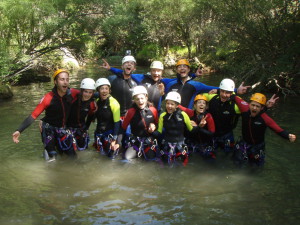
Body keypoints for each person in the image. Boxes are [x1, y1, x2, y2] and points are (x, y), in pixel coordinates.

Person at [12, 69, 79, 161]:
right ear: (55, 82)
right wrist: (19, 130)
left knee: (73, 157)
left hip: (62, 129)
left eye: (67, 79)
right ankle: (48, 151)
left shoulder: (72, 93)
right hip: (49, 130)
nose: (65, 82)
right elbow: (33, 115)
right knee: (52, 158)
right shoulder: (48, 98)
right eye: (62, 79)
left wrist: (103, 93)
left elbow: (88, 94)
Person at [102, 59, 202, 110]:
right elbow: (126, 73)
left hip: (156, 111)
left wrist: (194, 75)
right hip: (142, 109)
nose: (156, 73)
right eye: (154, 71)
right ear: (150, 71)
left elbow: (180, 80)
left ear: (162, 72)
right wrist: (110, 69)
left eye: (158, 71)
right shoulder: (142, 78)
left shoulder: (166, 81)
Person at [232, 93, 296, 166]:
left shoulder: (265, 118)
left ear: (262, 108)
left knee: (255, 167)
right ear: (249, 104)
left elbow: (278, 130)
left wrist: (288, 136)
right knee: (236, 162)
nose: (254, 108)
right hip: (244, 143)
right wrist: (237, 90)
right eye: (253, 105)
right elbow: (232, 96)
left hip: (257, 147)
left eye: (257, 106)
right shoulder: (244, 108)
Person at [165, 59, 250, 108]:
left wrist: (236, 90)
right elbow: (155, 79)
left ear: (189, 70)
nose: (182, 68)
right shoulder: (170, 83)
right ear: (176, 70)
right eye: (179, 67)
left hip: (188, 117)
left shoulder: (196, 85)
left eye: (185, 67)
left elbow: (217, 88)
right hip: (170, 116)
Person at [153, 92, 199, 166]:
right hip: (167, 145)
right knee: (164, 165)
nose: (169, 106)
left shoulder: (183, 115)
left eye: (172, 104)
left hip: (180, 145)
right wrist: (150, 131)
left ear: (177, 105)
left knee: (180, 166)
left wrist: (198, 126)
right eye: (168, 103)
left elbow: (191, 130)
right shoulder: (162, 116)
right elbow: (159, 132)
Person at [203, 78, 241, 153]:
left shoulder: (236, 105)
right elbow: (197, 97)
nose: (224, 95)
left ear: (231, 93)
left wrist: (265, 107)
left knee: (228, 154)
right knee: (207, 155)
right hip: (212, 133)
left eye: (227, 92)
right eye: (222, 91)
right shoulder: (212, 97)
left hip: (227, 134)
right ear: (219, 90)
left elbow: (249, 110)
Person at [121, 86, 159, 160]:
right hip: (135, 141)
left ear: (146, 98)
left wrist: (154, 126)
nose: (140, 101)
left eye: (142, 98)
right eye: (137, 99)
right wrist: (120, 143)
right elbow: (123, 128)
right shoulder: (130, 112)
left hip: (148, 141)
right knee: (127, 158)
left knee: (151, 159)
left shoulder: (153, 110)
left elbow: (158, 125)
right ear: (134, 100)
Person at [91, 78, 121, 159]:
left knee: (110, 157)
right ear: (98, 90)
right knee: (98, 156)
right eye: (102, 88)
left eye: (106, 88)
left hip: (110, 134)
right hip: (98, 133)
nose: (104, 91)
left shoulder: (114, 103)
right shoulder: (96, 101)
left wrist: (114, 139)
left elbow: (117, 123)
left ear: (109, 90)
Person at [178, 94, 216, 159]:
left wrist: (198, 127)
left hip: (205, 143)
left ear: (206, 107)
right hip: (193, 142)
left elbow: (212, 134)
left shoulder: (208, 116)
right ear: (195, 105)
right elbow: (180, 107)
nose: (201, 104)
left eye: (204, 103)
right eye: (199, 102)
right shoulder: (191, 113)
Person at [66, 78, 97, 151]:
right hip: (68, 127)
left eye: (90, 92)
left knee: (82, 149)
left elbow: (89, 119)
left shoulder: (92, 104)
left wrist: (85, 129)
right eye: (86, 92)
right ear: (82, 91)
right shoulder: (73, 96)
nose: (87, 95)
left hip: (81, 128)